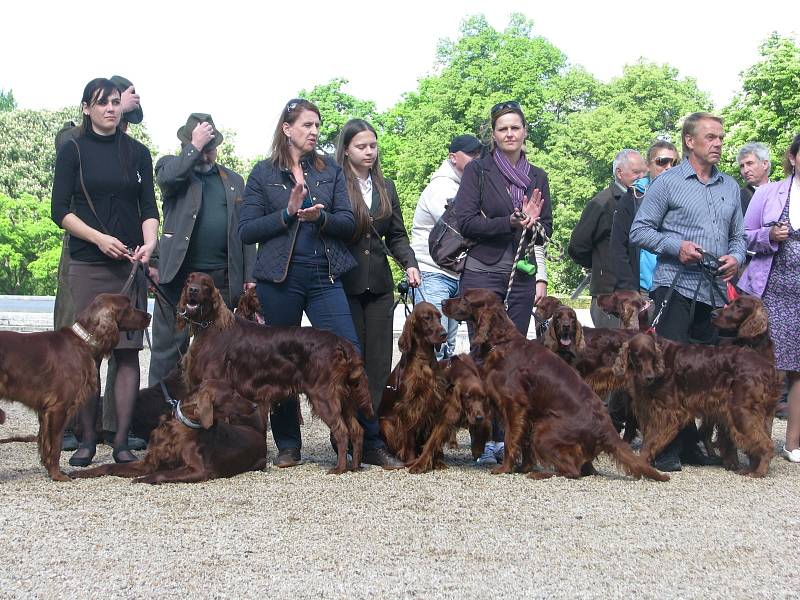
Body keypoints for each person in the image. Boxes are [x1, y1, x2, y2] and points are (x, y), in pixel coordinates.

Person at [238, 99, 403, 469]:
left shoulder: (328, 172)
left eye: (317, 125)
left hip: (324, 275)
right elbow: (247, 231)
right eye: (308, 125)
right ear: (287, 128)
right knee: (279, 361)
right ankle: (287, 445)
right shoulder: (263, 174)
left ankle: (366, 440)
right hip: (279, 278)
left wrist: (322, 217)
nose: (314, 132)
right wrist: (286, 213)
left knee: (349, 355)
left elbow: (348, 221)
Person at [50, 77, 159, 466]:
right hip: (88, 261)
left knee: (128, 352)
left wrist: (151, 243)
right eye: (102, 103)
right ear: (86, 108)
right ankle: (86, 439)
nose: (111, 109)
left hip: (129, 264)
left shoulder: (138, 152)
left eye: (115, 102)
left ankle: (122, 443)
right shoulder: (73, 149)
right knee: (87, 355)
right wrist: (99, 239)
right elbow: (59, 211)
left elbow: (149, 208)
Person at [630, 111, 745, 472]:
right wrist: (676, 245)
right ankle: (663, 445)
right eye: (711, 137)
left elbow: (739, 237)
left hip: (714, 292)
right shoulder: (666, 184)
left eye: (721, 138)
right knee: (668, 372)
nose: (718, 144)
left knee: (703, 374)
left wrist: (736, 258)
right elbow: (639, 231)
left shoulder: (730, 187)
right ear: (690, 142)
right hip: (675, 286)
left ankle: (690, 443)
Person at [454, 100, 552, 465]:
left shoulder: (538, 176)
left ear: (525, 131)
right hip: (483, 270)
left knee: (513, 354)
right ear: (493, 134)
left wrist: (534, 225)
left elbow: (548, 229)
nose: (509, 134)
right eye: (502, 129)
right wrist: (510, 222)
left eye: (515, 127)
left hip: (522, 271)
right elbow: (466, 222)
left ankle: (509, 434)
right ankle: (483, 439)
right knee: (483, 354)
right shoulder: (478, 171)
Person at [147, 113, 255, 386]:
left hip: (221, 280)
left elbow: (245, 231)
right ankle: (161, 414)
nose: (206, 155)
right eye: (200, 147)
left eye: (210, 147)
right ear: (187, 145)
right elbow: (167, 180)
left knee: (222, 351)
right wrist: (194, 148)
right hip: (178, 278)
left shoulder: (234, 181)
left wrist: (250, 274)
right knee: (169, 351)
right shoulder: (171, 168)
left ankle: (217, 418)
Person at [335, 119, 420, 413]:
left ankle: (375, 429)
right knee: (349, 361)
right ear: (346, 150)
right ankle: (347, 431)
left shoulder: (386, 187)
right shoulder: (335, 184)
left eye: (373, 145)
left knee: (380, 361)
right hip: (346, 284)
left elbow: (396, 234)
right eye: (361, 146)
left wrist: (409, 263)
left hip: (380, 285)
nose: (369, 151)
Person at [738, 133, 800, 464]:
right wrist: (768, 235)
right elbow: (743, 238)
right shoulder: (767, 193)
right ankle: (759, 445)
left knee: (799, 372)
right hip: (771, 289)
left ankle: (792, 444)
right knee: (764, 368)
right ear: (792, 157)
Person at [410, 134, 483, 359]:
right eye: (471, 154)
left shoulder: (466, 186)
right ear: (453, 157)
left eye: (479, 155)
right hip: (432, 273)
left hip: (453, 274)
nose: (477, 159)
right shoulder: (441, 186)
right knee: (431, 348)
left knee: (446, 346)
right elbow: (463, 227)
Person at [569, 149, 647, 327]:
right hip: (610, 295)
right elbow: (577, 245)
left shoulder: (643, 199)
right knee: (612, 349)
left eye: (644, 172)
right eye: (636, 172)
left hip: (636, 290)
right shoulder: (603, 203)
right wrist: (600, 264)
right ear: (619, 172)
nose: (642, 176)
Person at [610, 141, 680, 293]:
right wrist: (629, 289)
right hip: (643, 290)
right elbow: (618, 248)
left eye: (675, 163)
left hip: (677, 287)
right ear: (648, 165)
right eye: (662, 161)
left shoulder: (687, 196)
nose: (669, 167)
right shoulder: (633, 197)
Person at [737, 142, 771, 214]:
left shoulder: (782, 192)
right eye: (742, 166)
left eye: (750, 163)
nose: (745, 170)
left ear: (764, 164)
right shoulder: (737, 198)